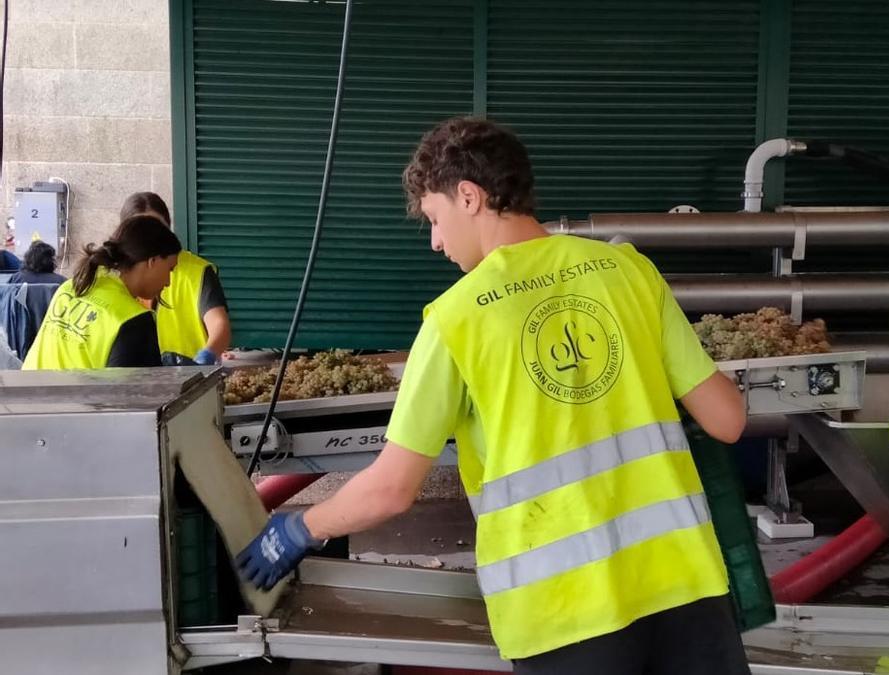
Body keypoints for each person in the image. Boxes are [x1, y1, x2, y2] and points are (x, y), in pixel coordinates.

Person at [236, 117, 752, 674]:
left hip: (563, 614)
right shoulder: (629, 271)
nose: (435, 241)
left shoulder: (455, 320)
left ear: (469, 196)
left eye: (435, 219)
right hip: (685, 586)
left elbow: (390, 490)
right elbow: (727, 419)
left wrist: (299, 529)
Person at [23, 215, 181, 369]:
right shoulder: (132, 319)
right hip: (77, 395)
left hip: (24, 392)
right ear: (152, 262)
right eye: (170, 269)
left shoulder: (72, 287)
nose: (168, 282)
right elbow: (135, 393)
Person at [120, 192, 231, 365]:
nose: (152, 241)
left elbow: (219, 325)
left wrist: (206, 356)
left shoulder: (197, 272)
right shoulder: (110, 283)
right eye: (142, 232)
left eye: (158, 230)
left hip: (190, 380)